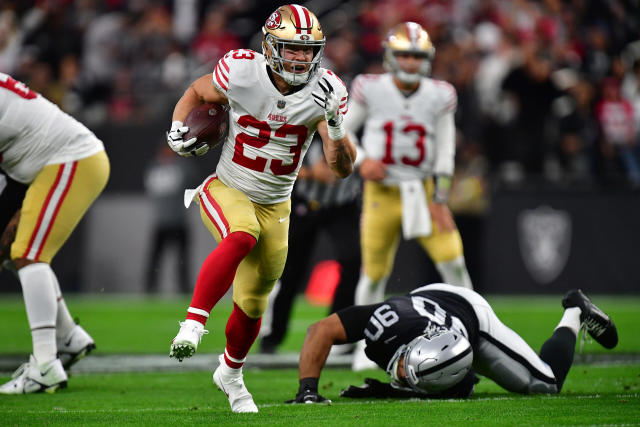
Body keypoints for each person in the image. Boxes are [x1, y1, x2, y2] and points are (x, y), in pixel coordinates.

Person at [165, 5, 356, 413]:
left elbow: (342, 170)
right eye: (291, 49)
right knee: (242, 232)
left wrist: (337, 128)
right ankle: (193, 323)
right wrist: (177, 128)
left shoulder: (327, 90)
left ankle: (231, 373)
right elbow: (197, 92)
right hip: (229, 186)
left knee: (254, 304)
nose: (302, 58)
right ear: (270, 46)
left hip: (278, 203)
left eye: (309, 51)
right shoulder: (241, 70)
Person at [344, 22, 474, 370]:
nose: (411, 62)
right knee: (373, 274)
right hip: (381, 193)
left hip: (425, 191)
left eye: (416, 56)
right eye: (404, 54)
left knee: (454, 263)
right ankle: (363, 348)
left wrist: (441, 198)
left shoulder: (440, 93)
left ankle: (473, 336)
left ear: (427, 58)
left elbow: (445, 149)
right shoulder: (369, 87)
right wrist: (362, 160)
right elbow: (340, 132)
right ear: (390, 56)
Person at [287, 283, 618, 403]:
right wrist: (307, 391)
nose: (398, 375)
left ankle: (575, 311)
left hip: (474, 319)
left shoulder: (455, 366)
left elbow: (464, 383)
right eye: (403, 369)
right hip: (427, 302)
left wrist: (395, 391)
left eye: (406, 376)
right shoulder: (381, 325)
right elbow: (319, 331)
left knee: (545, 383)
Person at [0, 72, 110, 394]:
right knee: (10, 253)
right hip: (38, 165)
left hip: (68, 159)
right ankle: (68, 336)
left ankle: (45, 365)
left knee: (28, 254)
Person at [259, 138, 361, 354]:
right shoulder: (303, 123)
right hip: (306, 202)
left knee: (352, 261)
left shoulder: (353, 122)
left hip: (343, 205)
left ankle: (338, 333)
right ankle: (272, 334)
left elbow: (368, 154)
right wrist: (311, 173)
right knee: (288, 270)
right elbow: (275, 165)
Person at [143, 144, 194, 293]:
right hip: (162, 222)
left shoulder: (182, 167)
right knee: (155, 258)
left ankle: (184, 288)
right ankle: (150, 288)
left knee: (182, 259)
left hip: (179, 221)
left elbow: (191, 179)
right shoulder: (154, 168)